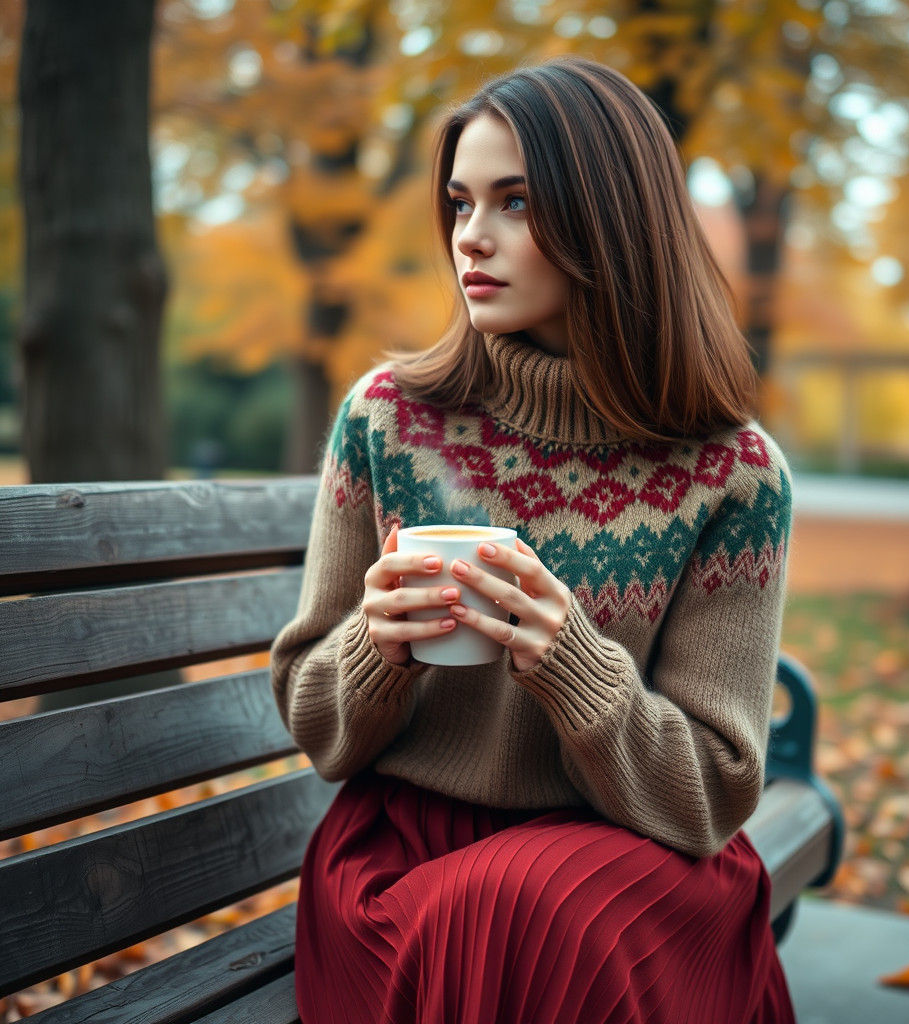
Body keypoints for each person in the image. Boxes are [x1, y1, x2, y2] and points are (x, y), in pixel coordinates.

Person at [270, 55, 796, 1024]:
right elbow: (318, 730)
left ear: (611, 220)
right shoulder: (386, 420)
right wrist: (375, 647)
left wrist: (573, 666)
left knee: (531, 908)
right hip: (402, 858)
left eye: (515, 202)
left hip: (628, 856)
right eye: (459, 203)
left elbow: (712, 795)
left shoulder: (732, 474)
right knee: (504, 909)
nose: (471, 236)